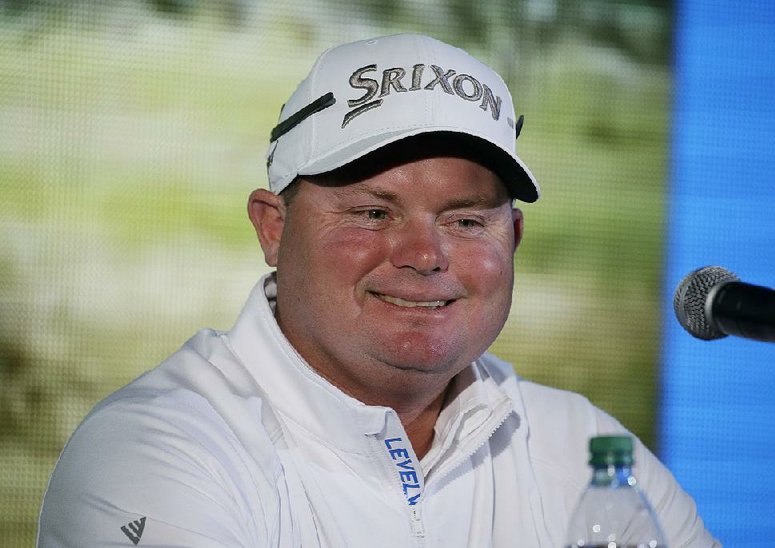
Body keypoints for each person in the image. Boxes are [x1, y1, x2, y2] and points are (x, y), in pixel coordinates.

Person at [38, 33, 719, 547]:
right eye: (373, 212)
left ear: (512, 240)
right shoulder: (157, 449)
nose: (425, 255)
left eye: (466, 220)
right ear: (273, 228)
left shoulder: (587, 447)